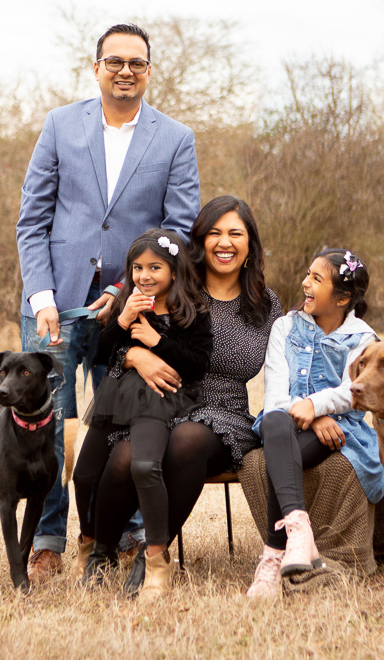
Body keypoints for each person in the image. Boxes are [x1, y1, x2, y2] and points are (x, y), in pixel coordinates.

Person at [16, 23, 201, 582]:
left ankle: (118, 531)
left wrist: (130, 293)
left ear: (149, 71)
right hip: (56, 305)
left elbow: (179, 228)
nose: (126, 70)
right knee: (48, 423)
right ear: (95, 67)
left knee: (123, 420)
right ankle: (47, 538)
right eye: (115, 60)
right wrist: (42, 297)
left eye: (137, 63)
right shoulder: (58, 125)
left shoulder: (174, 138)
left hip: (135, 306)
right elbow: (33, 219)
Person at [88, 195, 282, 595]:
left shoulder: (265, 303)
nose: (224, 242)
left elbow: (285, 365)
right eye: (214, 233)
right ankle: (101, 552)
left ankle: (152, 555)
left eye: (235, 233)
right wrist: (135, 357)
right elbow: (119, 342)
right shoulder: (173, 286)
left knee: (187, 439)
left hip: (224, 413)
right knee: (125, 455)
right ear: (200, 240)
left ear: (250, 245)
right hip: (161, 403)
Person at [71, 229, 213, 600]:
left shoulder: (191, 311)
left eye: (155, 267)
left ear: (174, 270)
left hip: (158, 401)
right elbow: (101, 354)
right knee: (84, 475)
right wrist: (122, 324)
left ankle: (155, 559)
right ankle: (94, 551)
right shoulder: (128, 302)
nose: (145, 275)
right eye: (137, 267)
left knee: (144, 467)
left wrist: (155, 342)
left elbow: (196, 366)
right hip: (115, 399)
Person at [246, 248, 384, 598]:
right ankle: (298, 535)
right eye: (308, 275)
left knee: (282, 448)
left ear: (341, 298)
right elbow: (276, 393)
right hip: (283, 422)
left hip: (342, 429)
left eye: (316, 279)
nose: (304, 283)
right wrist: (310, 412)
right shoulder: (285, 326)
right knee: (276, 421)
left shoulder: (363, 339)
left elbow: (353, 391)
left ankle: (273, 555)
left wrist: (317, 406)